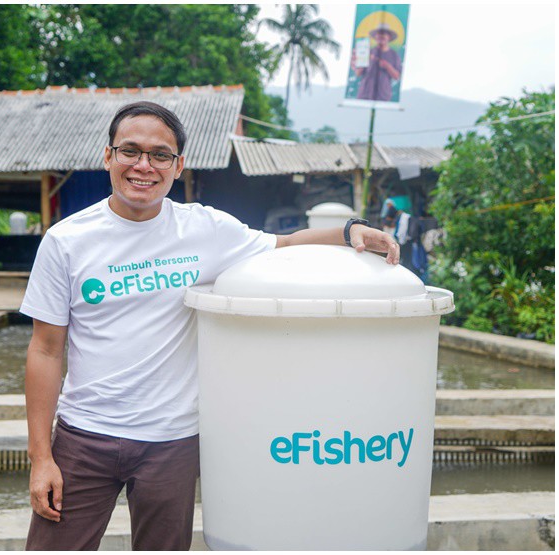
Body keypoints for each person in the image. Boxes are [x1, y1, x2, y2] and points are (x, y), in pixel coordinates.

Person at [20, 101, 400, 551]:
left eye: (160, 155)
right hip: (85, 437)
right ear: (108, 156)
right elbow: (45, 350)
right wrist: (41, 457)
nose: (144, 166)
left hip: (172, 443)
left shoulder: (205, 230)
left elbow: (284, 243)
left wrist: (349, 231)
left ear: (178, 166)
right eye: (131, 151)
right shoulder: (66, 241)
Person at [352, 22, 403, 102]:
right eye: (379, 34)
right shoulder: (367, 52)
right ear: (375, 37)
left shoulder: (394, 55)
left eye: (384, 34)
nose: (381, 36)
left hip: (383, 96)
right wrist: (360, 60)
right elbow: (358, 73)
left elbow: (397, 76)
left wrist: (387, 66)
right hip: (365, 94)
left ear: (389, 37)